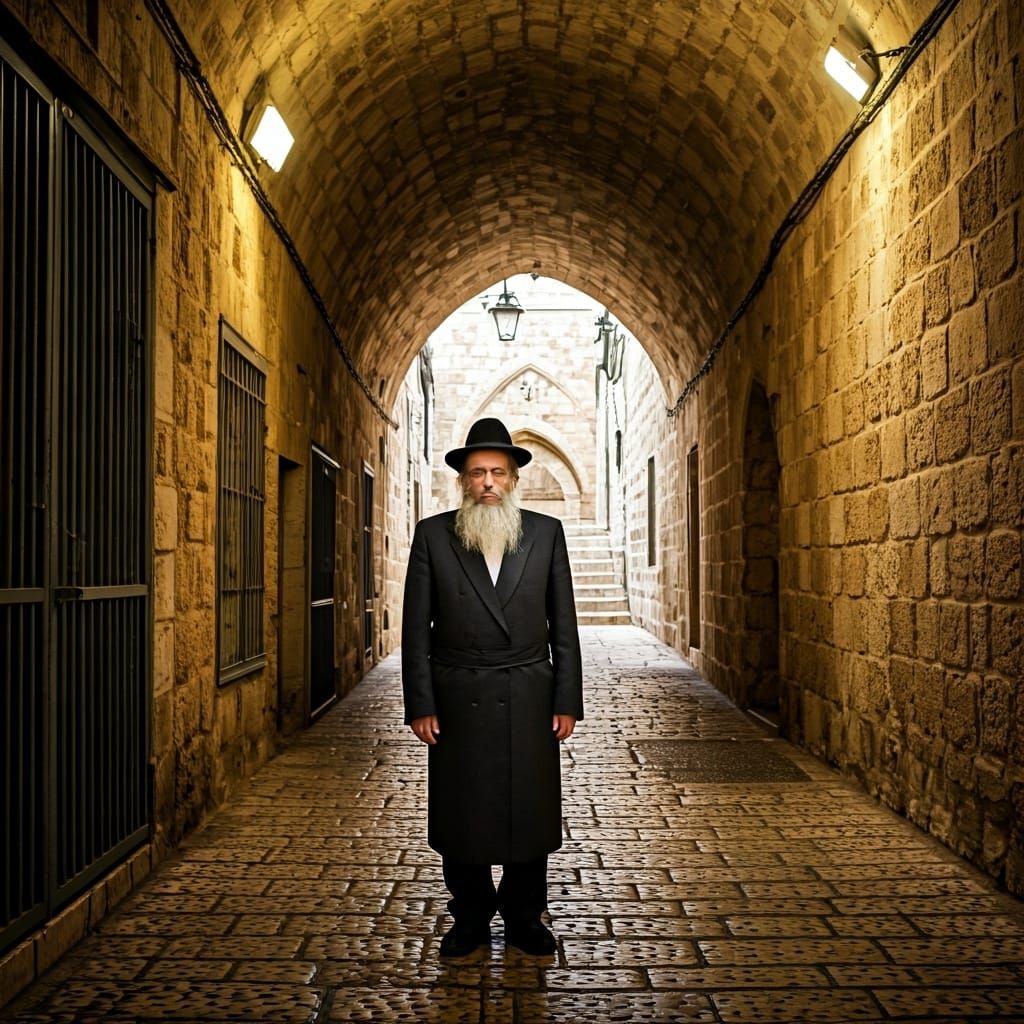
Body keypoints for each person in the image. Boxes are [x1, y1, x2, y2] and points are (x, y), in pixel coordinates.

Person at [402, 416, 584, 958]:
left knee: (528, 812)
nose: (487, 482)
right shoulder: (434, 535)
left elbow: (565, 625)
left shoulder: (546, 533)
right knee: (464, 814)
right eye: (478, 472)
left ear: (512, 480)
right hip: (458, 696)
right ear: (462, 480)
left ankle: (526, 916)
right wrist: (421, 704)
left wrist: (566, 699)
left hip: (529, 691)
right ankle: (471, 917)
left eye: (497, 472)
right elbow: (415, 630)